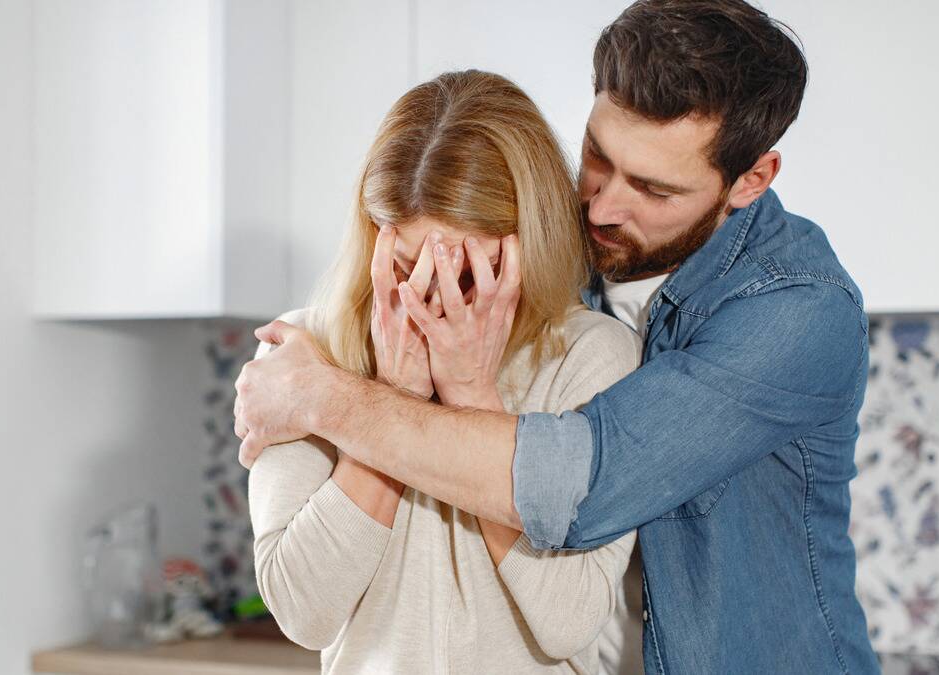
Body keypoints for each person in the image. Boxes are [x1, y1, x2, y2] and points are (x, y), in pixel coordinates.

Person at [236, 0, 882, 672]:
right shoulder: (549, 262)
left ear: (752, 180)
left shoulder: (797, 311)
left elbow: (578, 480)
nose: (599, 207)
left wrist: (326, 399)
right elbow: (304, 606)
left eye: (653, 190)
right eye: (598, 157)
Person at [246, 69, 647, 674]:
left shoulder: (592, 357)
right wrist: (392, 395)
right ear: (375, 241)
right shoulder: (307, 355)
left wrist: (470, 394)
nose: (437, 303)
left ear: (527, 244)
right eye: (409, 267)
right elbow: (305, 614)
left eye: (470, 274)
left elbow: (568, 619)